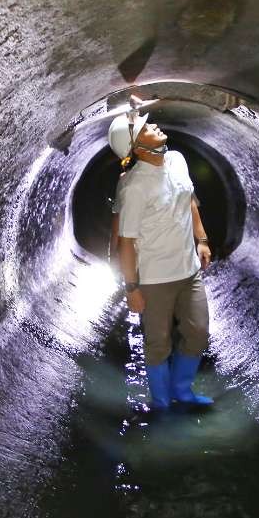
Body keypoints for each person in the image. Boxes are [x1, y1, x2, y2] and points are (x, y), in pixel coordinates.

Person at [107, 109, 214, 409]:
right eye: (145, 127)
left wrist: (202, 239)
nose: (153, 124)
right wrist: (132, 288)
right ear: (137, 146)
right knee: (158, 344)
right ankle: (162, 403)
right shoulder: (133, 187)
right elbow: (126, 243)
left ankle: (182, 390)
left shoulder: (177, 160)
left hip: (188, 270)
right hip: (154, 279)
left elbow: (190, 200)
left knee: (198, 332)